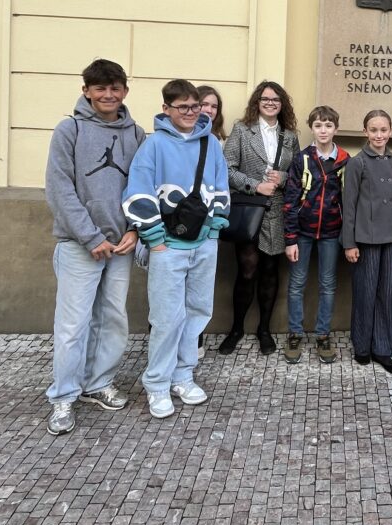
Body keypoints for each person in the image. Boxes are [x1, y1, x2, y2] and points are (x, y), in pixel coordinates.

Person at [44, 58, 146, 437]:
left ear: (125, 91)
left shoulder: (136, 134)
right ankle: (63, 396)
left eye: (115, 87)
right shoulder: (69, 130)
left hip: (120, 247)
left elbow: (143, 187)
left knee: (112, 319)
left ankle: (97, 383)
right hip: (79, 246)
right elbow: (60, 189)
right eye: (100, 88)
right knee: (73, 325)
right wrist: (91, 237)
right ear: (86, 90)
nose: (108, 94)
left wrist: (135, 230)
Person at [123, 80, 229, 418]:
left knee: (197, 312)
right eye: (182, 107)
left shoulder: (210, 143)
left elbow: (221, 185)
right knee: (166, 318)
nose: (191, 112)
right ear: (166, 109)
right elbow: (138, 191)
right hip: (167, 246)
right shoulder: (153, 145)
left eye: (195, 106)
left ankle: (183, 375)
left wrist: (214, 230)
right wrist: (155, 239)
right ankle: (157, 383)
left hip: (204, 243)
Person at [219, 81, 300, 355]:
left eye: (275, 99)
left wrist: (283, 178)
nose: (270, 103)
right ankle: (236, 329)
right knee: (247, 270)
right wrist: (255, 186)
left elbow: (298, 173)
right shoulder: (242, 130)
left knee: (269, 270)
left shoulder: (289, 136)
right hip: (249, 209)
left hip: (277, 211)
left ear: (282, 104)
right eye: (265, 99)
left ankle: (264, 329)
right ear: (257, 102)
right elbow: (226, 169)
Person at [283, 105, 350, 365]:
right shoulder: (301, 159)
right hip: (302, 232)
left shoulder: (344, 160)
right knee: (297, 283)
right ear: (311, 128)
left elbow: (349, 201)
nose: (323, 130)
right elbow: (290, 201)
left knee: (327, 284)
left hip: (332, 232)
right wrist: (290, 239)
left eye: (328, 125)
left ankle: (323, 334)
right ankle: (295, 333)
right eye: (318, 125)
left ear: (336, 129)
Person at [342, 109, 392, 375]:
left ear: (390, 132)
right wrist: (349, 243)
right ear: (365, 132)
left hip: (391, 238)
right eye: (374, 130)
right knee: (365, 292)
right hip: (365, 239)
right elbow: (349, 206)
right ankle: (362, 345)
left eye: (384, 130)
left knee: (387, 294)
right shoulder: (357, 163)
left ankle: (383, 347)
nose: (379, 135)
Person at [194, 84, 227, 357]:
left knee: (199, 290)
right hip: (180, 224)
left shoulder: (220, 140)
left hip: (209, 225)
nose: (209, 110)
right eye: (205, 104)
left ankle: (195, 341)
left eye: (214, 106)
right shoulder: (177, 138)